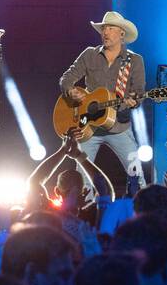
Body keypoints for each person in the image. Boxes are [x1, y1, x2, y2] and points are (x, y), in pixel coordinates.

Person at [58, 11, 147, 187]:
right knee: (83, 181)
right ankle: (84, 212)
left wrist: (134, 101)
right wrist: (70, 91)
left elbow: (138, 92)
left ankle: (145, 211)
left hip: (119, 127)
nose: (105, 32)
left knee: (137, 176)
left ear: (122, 33)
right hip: (88, 127)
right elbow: (67, 78)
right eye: (104, 28)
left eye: (110, 28)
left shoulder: (134, 61)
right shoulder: (89, 54)